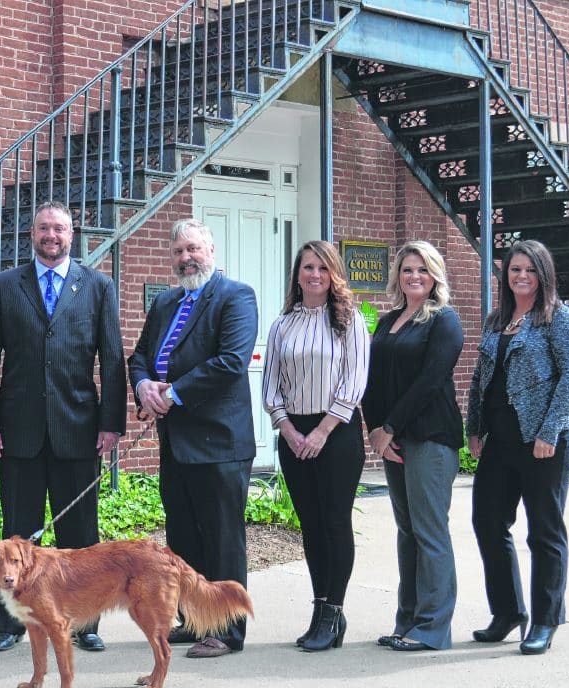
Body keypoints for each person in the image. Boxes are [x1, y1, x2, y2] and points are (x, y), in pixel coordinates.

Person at [0, 200, 126, 653]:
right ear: (32, 233)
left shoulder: (97, 286)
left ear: (71, 235)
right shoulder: (5, 286)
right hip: (17, 431)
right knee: (15, 534)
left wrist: (111, 424)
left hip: (78, 428)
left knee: (81, 537)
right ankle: (11, 625)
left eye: (59, 228)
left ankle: (85, 623)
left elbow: (112, 360)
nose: (51, 236)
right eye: (43, 228)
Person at [128, 219, 258, 658]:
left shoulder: (236, 297)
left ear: (212, 250)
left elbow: (230, 362)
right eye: (179, 251)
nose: (187, 258)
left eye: (194, 249)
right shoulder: (166, 302)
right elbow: (141, 355)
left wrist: (174, 393)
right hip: (176, 442)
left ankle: (227, 629)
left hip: (220, 444)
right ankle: (194, 619)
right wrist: (145, 386)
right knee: (184, 538)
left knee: (222, 540)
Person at [466, 239, 569, 655]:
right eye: (514, 270)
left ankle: (546, 620)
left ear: (543, 275)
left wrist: (549, 432)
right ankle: (508, 612)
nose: (521, 277)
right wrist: (474, 429)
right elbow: (481, 378)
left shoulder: (558, 318)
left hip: (544, 441)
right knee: (487, 522)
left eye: (529, 270)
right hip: (500, 440)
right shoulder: (496, 319)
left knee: (544, 532)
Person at [263, 240, 369, 652]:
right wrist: (288, 430)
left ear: (334, 274)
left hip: (337, 432)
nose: (315, 275)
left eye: (323, 269)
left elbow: (355, 381)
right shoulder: (282, 324)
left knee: (334, 521)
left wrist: (322, 432)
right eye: (308, 267)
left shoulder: (349, 320)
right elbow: (270, 384)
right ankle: (320, 606)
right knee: (310, 524)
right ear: (298, 274)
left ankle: (333, 611)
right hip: (294, 434)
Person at [362, 241, 464, 652]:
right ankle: (408, 622)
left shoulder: (444, 321)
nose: (414, 276)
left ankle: (433, 628)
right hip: (394, 441)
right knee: (408, 533)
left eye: (422, 269)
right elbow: (369, 379)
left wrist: (389, 426)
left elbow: (430, 381)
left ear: (435, 274)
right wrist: (376, 432)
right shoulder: (388, 322)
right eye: (407, 270)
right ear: (398, 276)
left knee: (429, 531)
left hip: (431, 439)